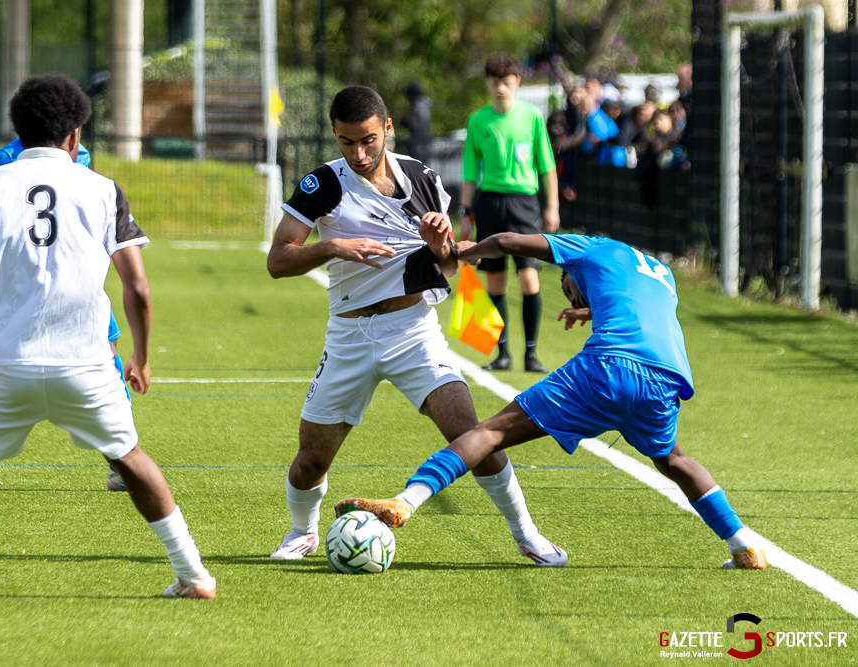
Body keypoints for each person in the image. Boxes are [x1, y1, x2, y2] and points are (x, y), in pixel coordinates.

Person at [0, 73, 216, 599]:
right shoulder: (102, 189)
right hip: (88, 364)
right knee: (130, 458)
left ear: (17, 131)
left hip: (9, 365)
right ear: (75, 136)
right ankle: (193, 576)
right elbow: (136, 285)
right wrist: (138, 354)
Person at [336, 232, 768, 571]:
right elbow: (639, 310)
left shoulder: (590, 248)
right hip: (665, 379)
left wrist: (469, 252)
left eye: (569, 290)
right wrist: (592, 310)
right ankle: (745, 545)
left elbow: (507, 243)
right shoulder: (662, 273)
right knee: (674, 460)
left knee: (490, 432)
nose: (572, 298)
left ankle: (404, 501)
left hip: (612, 366)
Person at [266, 85, 561, 565]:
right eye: (345, 142)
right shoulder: (323, 185)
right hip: (349, 335)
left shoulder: (423, 177)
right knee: (312, 460)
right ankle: (302, 532)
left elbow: (445, 267)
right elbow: (279, 260)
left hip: (413, 330)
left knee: (471, 434)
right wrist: (334, 247)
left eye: (367, 140)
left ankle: (527, 533)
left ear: (387, 128)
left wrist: (440, 243)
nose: (358, 154)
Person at [0, 130, 130, 494]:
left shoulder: (10, 158)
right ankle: (122, 465)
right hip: (55, 280)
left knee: (7, 364)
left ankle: (120, 466)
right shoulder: (63, 154)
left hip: (48, 281)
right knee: (100, 358)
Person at [460, 53, 560, 373]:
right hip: (489, 202)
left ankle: (531, 354)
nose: (499, 88)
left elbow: (547, 167)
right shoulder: (477, 121)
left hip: (524, 204)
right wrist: (465, 212)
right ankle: (502, 354)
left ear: (517, 82)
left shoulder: (532, 117)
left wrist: (552, 207)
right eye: (493, 83)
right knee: (495, 281)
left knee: (529, 277)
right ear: (487, 84)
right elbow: (469, 174)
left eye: (505, 82)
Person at [400, 81, 433, 163]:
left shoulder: (418, 107)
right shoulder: (422, 105)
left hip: (419, 145)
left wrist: (405, 124)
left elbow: (417, 126)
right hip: (422, 143)